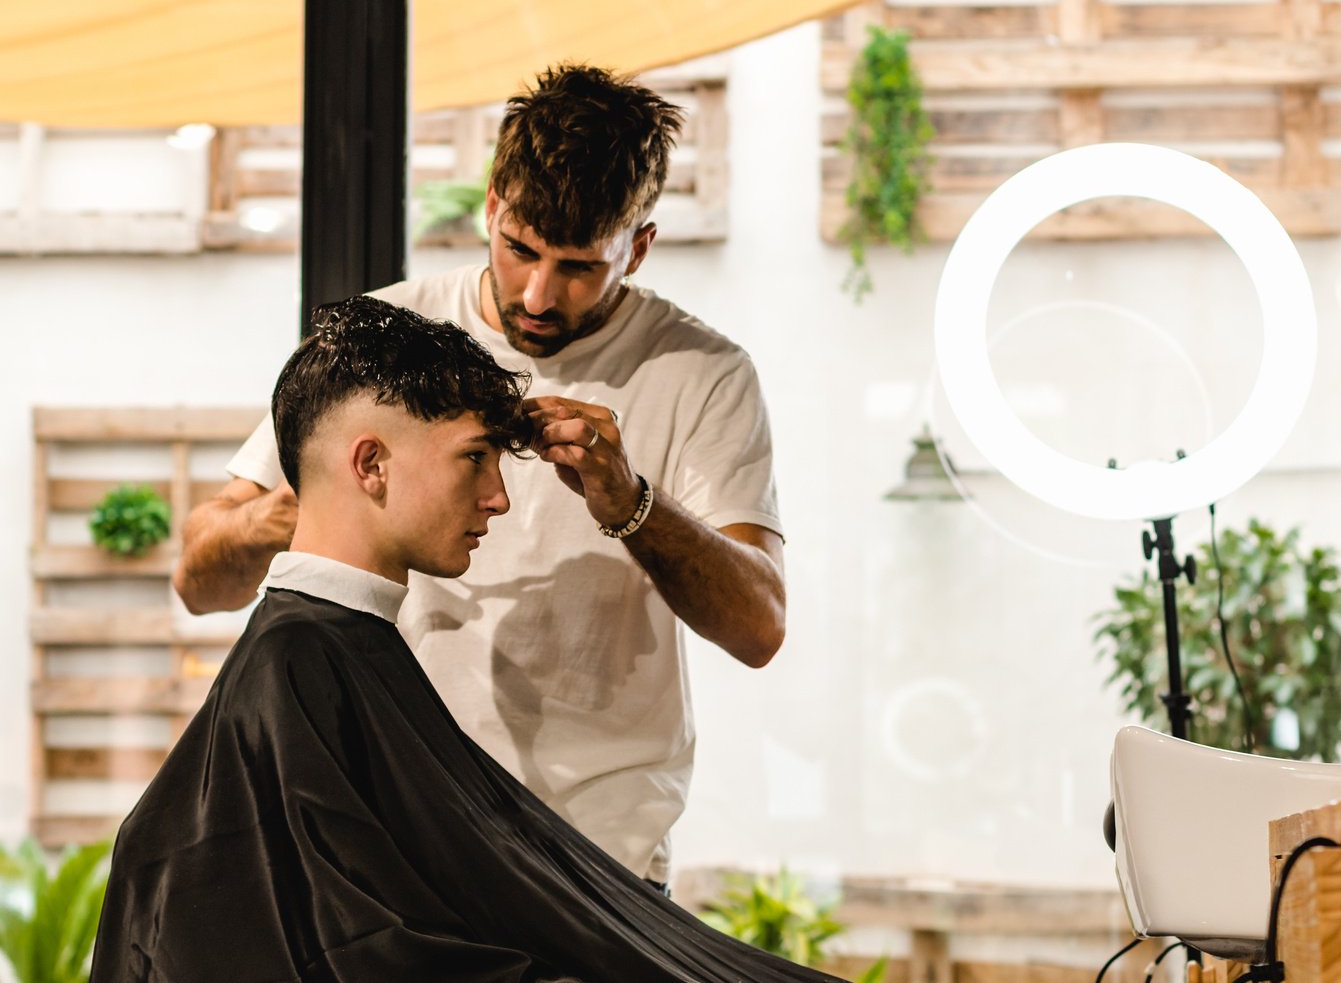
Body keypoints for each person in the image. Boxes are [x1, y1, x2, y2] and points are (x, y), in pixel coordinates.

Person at [93, 297, 837, 983]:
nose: (499, 497)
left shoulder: (333, 650)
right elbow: (367, 952)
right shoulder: (302, 667)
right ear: (371, 463)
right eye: (474, 457)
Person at [174, 64, 785, 887]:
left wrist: (629, 503)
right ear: (491, 205)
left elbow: (759, 629)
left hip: (597, 857)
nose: (538, 294)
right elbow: (198, 580)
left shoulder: (703, 372)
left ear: (637, 247)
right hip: (396, 848)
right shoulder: (392, 335)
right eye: (520, 249)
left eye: (578, 266)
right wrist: (301, 509)